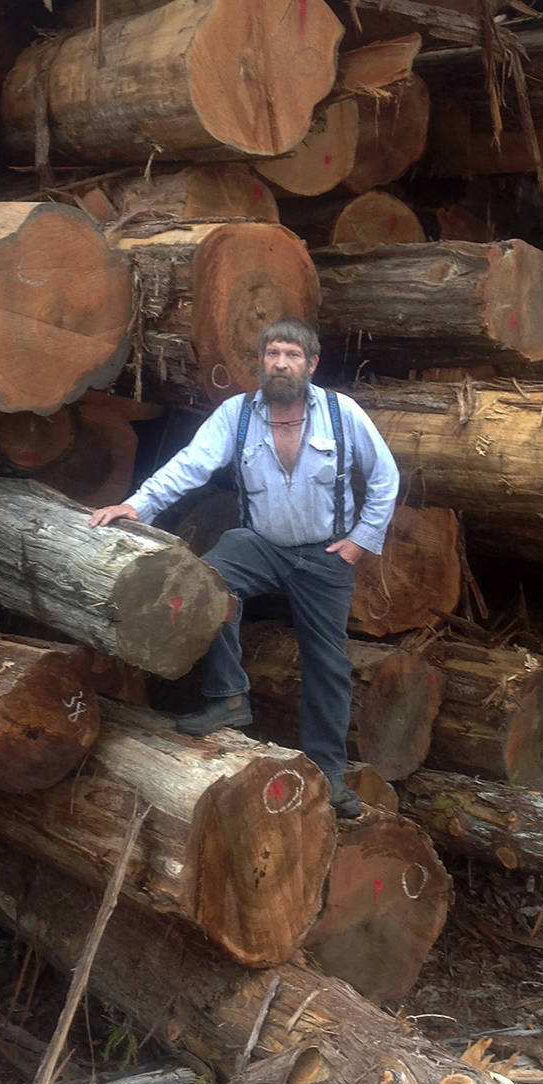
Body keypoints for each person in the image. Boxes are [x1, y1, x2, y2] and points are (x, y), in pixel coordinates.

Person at [89, 318, 400, 818]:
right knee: (207, 583)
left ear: (311, 364)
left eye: (292, 355)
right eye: (273, 354)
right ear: (260, 362)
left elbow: (385, 476)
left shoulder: (341, 413)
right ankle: (229, 696)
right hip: (261, 544)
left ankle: (329, 775)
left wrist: (361, 540)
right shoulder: (237, 415)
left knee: (327, 664)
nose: (281, 364)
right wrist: (137, 505)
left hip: (325, 555)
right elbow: (189, 465)